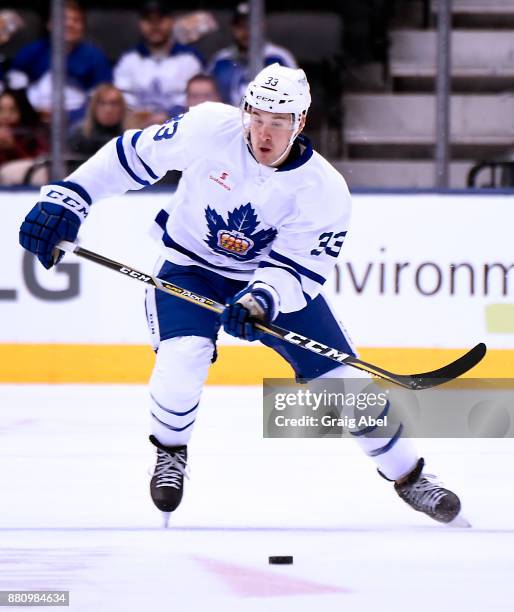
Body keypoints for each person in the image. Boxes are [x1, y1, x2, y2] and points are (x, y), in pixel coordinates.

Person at [18, 64, 465, 528]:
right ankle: (171, 452)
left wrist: (261, 299)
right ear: (245, 109)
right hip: (190, 268)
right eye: (258, 117)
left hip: (269, 283)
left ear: (301, 123)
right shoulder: (208, 127)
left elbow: (298, 269)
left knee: (341, 381)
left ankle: (411, 477)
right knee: (182, 357)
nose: (264, 132)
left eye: (279, 121)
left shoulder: (323, 189)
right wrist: (69, 196)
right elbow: (130, 156)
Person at [6, 0, 112, 126]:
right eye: (64, 19)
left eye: (76, 20)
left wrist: (72, 115)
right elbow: (14, 89)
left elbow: (102, 99)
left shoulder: (94, 56)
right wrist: (32, 112)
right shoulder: (31, 52)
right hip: (31, 121)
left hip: (77, 124)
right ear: (50, 24)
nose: (70, 24)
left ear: (83, 27)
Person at [113, 0, 204, 128]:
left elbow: (202, 99)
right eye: (149, 20)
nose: (155, 26)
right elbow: (119, 97)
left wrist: (171, 114)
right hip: (136, 129)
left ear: (171, 21)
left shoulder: (190, 58)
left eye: (160, 19)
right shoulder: (128, 59)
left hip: (181, 127)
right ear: (140, 24)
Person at [209, 2, 298, 106]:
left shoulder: (279, 57)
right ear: (233, 29)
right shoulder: (220, 60)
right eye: (240, 27)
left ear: (263, 26)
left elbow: (297, 95)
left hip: (267, 119)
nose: (246, 32)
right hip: (228, 119)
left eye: (251, 26)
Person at [0, 88, 48, 185]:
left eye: (12, 110)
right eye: (1, 110)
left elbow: (38, 166)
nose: (6, 115)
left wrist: (13, 147)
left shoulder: (32, 135)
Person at [68, 84, 128, 160]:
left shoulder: (131, 138)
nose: (108, 109)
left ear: (122, 108)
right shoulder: (78, 136)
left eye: (114, 103)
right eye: (102, 103)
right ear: (93, 108)